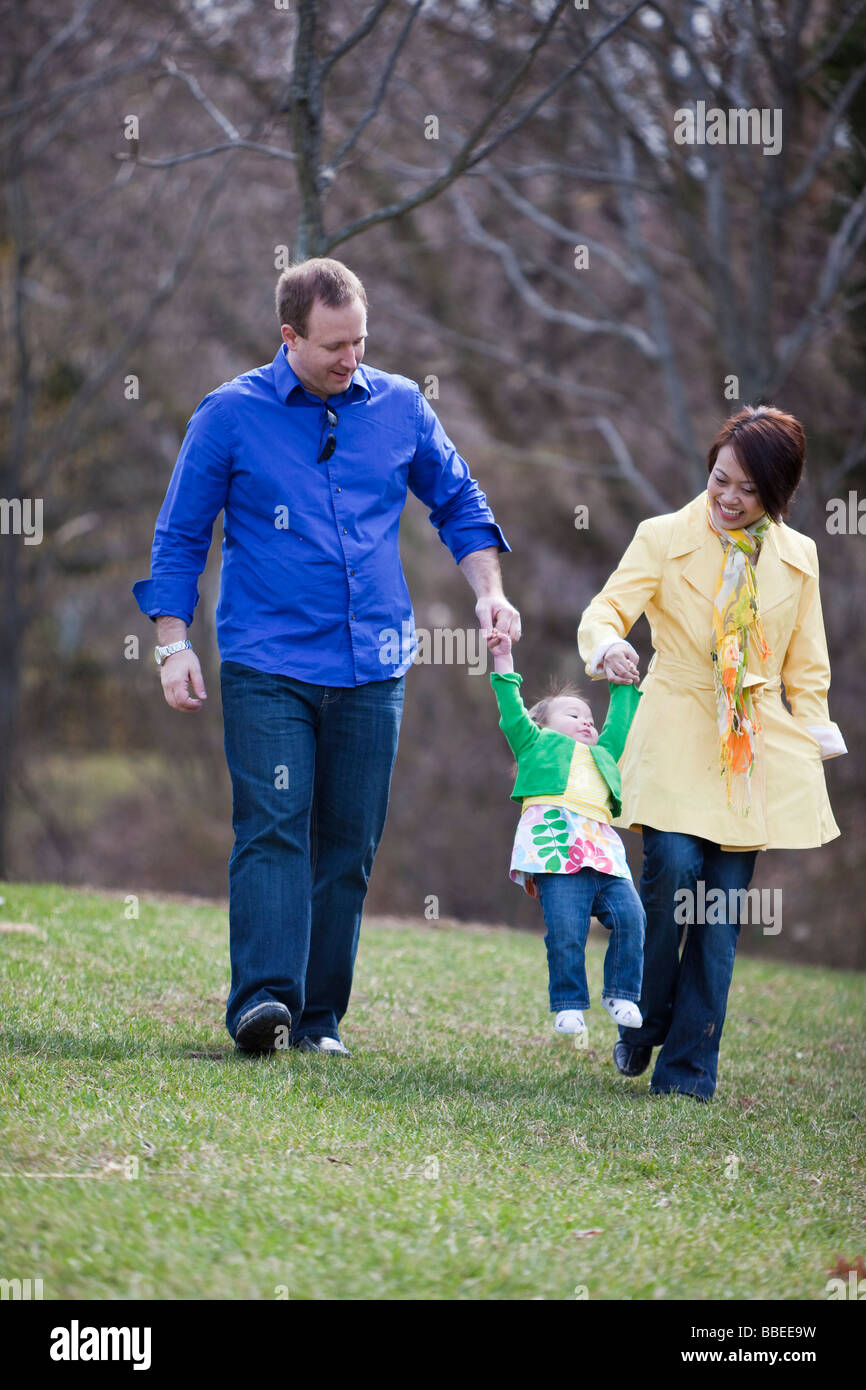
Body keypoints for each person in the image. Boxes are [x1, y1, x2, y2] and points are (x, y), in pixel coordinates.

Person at [133, 257, 520, 1056]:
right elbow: (179, 536)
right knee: (273, 825)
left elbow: (460, 502)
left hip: (374, 665)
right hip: (268, 661)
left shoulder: (402, 407)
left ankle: (319, 1020)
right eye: (335, 345)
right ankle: (263, 1003)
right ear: (289, 337)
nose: (352, 358)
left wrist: (488, 589)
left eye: (361, 341)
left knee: (348, 842)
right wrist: (172, 643)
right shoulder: (229, 416)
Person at [577, 405, 846, 1101]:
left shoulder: (799, 558)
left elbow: (806, 666)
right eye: (721, 479)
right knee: (671, 866)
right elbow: (607, 608)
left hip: (749, 747)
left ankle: (689, 1072)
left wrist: (813, 723)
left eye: (748, 491)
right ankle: (644, 1018)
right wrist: (609, 645)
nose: (727, 498)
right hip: (674, 721)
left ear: (776, 496)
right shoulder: (663, 537)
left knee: (721, 910)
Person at [487, 628, 646, 1038]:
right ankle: (569, 1003)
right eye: (573, 716)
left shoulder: (603, 754)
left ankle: (621, 991)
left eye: (589, 719)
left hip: (604, 854)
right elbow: (510, 709)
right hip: (556, 853)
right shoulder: (534, 744)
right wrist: (503, 659)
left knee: (632, 917)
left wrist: (623, 683)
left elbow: (621, 721)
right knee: (566, 932)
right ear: (542, 726)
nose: (586, 723)